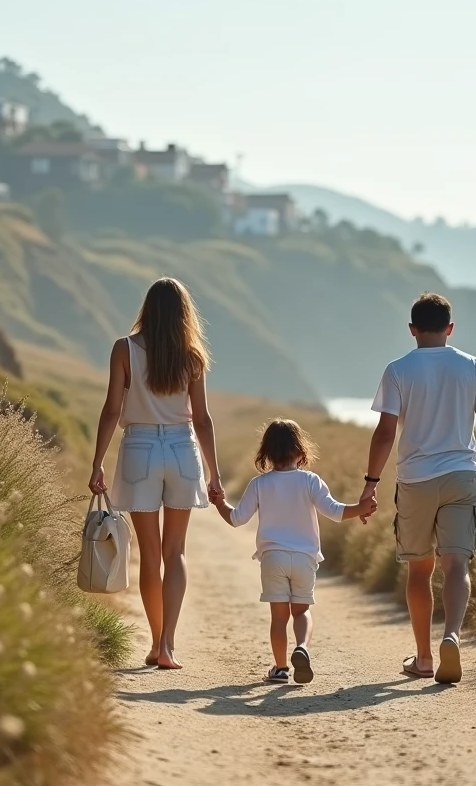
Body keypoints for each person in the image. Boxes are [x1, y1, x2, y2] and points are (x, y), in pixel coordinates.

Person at [359, 292, 476, 684]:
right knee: (457, 564)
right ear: (450, 328)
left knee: (419, 569)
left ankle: (423, 658)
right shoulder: (474, 367)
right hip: (462, 475)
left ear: (412, 329)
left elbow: (385, 433)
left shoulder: (398, 370)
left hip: (416, 479)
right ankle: (451, 636)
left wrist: (370, 484)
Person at [89, 277, 224, 670]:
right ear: (184, 313)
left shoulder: (124, 349)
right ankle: (168, 645)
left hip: (140, 448)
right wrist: (214, 473)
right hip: (182, 449)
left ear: (147, 308)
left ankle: (155, 643)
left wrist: (97, 461)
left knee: (150, 554)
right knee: (175, 552)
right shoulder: (193, 356)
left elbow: (112, 410)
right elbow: (202, 419)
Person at [211, 419, 376, 684]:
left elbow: (236, 519)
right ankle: (302, 647)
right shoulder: (310, 481)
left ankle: (280, 669)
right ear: (300, 451)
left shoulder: (259, 484)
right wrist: (361, 508)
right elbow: (335, 511)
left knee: (279, 618)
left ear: (266, 453)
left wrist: (219, 503)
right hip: (304, 558)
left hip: (272, 558)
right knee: (301, 612)